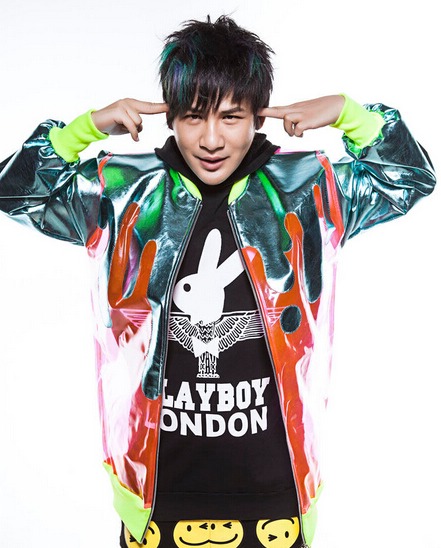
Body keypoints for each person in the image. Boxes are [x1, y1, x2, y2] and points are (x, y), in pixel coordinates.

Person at [0, 15, 435, 548]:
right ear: (170, 118)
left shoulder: (308, 187)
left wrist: (351, 114)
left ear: (257, 116)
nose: (211, 139)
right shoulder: (122, 192)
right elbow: (18, 193)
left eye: (231, 117)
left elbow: (408, 179)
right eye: (193, 117)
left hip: (275, 500)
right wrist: (85, 129)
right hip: (156, 499)